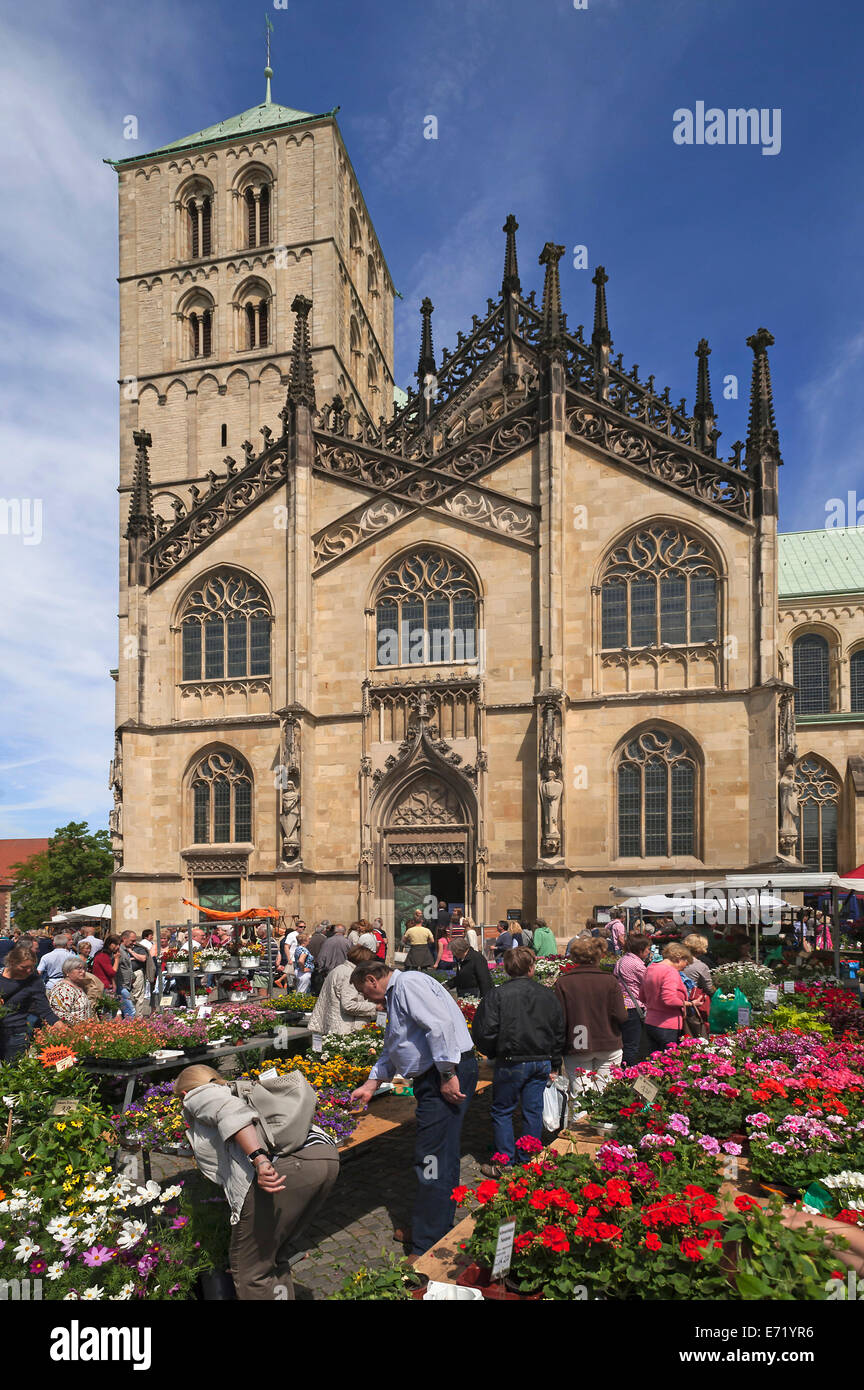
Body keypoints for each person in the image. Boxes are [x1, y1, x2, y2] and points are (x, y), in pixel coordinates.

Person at [175, 1064, 340, 1300]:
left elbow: (233, 1113)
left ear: (184, 1094)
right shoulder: (237, 1088)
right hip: (323, 1156)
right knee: (273, 1255)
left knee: (251, 1270)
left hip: (285, 1166)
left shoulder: (200, 1095)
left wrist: (259, 1159)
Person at [350, 960, 477, 1256]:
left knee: (431, 1157)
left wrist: (446, 1074)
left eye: (363, 991)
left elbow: (439, 1025)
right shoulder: (398, 992)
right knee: (441, 1154)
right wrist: (371, 1084)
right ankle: (434, 1228)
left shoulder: (408, 985)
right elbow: (395, 1044)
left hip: (441, 1074)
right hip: (438, 1074)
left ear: (371, 979)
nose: (366, 998)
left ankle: (427, 1243)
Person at [471, 945, 566, 1171]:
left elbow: (484, 1032)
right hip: (539, 1059)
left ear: (506, 969)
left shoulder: (497, 995)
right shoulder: (547, 995)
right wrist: (554, 1062)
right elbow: (559, 1031)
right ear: (531, 968)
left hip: (513, 1060)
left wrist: (494, 1052)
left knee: (503, 1110)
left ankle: (505, 1161)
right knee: (532, 1110)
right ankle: (529, 1158)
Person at [554, 936, 627, 1100]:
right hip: (608, 1042)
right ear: (599, 956)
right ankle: (604, 1124)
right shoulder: (610, 981)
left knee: (581, 1094)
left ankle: (581, 1124)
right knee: (606, 1093)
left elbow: (560, 1020)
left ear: (574, 957)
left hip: (578, 1043)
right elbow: (621, 1016)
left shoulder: (564, 982)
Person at [0, 946, 58, 1060]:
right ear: (11, 963)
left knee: (13, 1073)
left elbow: (44, 1009)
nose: (28, 971)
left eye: (31, 967)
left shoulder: (34, 980)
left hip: (16, 1034)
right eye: (24, 967)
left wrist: (60, 1026)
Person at [308, 945, 378, 1035]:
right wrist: (375, 1007)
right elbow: (348, 1005)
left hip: (334, 1023)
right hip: (345, 1028)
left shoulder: (338, 969)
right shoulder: (350, 975)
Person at [642, 943, 692, 1052]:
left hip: (650, 1021)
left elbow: (642, 996)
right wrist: (689, 1003)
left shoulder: (650, 968)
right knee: (668, 1062)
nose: (684, 967)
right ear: (679, 958)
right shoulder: (670, 972)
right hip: (668, 1024)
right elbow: (669, 1000)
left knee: (654, 1061)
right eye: (686, 962)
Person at [613, 934, 651, 1066]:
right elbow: (648, 984)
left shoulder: (621, 961)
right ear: (640, 949)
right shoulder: (637, 964)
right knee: (632, 1044)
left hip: (621, 1004)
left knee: (624, 1043)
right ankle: (629, 1072)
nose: (649, 951)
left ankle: (622, 1070)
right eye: (647, 949)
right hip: (634, 1007)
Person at [48, 956, 95, 1023]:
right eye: (79, 969)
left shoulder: (78, 986)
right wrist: (81, 1025)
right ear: (67, 972)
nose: (83, 971)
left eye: (84, 968)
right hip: (71, 1031)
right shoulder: (62, 989)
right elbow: (60, 1014)